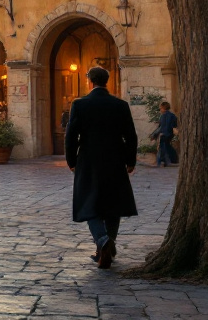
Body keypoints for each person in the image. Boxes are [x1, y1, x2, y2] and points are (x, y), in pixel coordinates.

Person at [65, 66, 138, 269]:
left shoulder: (80, 105)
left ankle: (102, 240)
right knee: (113, 204)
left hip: (89, 160)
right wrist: (130, 161)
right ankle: (107, 247)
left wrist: (71, 161)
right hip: (115, 159)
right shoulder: (120, 105)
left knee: (90, 204)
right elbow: (131, 136)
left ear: (90, 81)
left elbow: (71, 136)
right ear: (107, 80)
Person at [150, 101, 178, 167]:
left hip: (164, 134)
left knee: (161, 147)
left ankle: (159, 162)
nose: (160, 110)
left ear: (163, 108)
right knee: (167, 146)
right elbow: (174, 125)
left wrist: (154, 135)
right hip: (170, 134)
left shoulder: (163, 116)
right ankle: (172, 160)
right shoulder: (173, 116)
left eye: (160, 108)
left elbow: (161, 127)